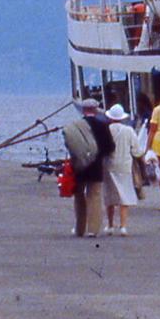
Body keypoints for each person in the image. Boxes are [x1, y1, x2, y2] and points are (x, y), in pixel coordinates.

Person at [61, 99, 115, 238]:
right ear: (96, 109)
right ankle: (93, 229)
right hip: (96, 165)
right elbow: (110, 147)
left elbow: (70, 145)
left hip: (79, 165)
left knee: (79, 195)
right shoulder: (102, 125)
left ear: (83, 110)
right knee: (94, 195)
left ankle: (80, 228)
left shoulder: (76, 126)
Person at [102, 104, 143, 236]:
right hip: (125, 165)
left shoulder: (106, 130)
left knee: (109, 196)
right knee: (124, 196)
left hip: (108, 165)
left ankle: (110, 225)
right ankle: (123, 226)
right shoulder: (129, 130)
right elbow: (136, 151)